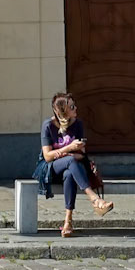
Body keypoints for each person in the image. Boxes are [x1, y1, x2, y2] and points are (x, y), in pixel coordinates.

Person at [33, 91, 113, 237]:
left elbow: (81, 153)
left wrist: (70, 153)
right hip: (51, 169)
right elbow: (47, 156)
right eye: (72, 107)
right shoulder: (48, 126)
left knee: (69, 173)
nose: (76, 109)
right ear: (63, 111)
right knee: (70, 161)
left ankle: (68, 221)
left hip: (73, 168)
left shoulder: (78, 125)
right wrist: (68, 149)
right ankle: (94, 199)